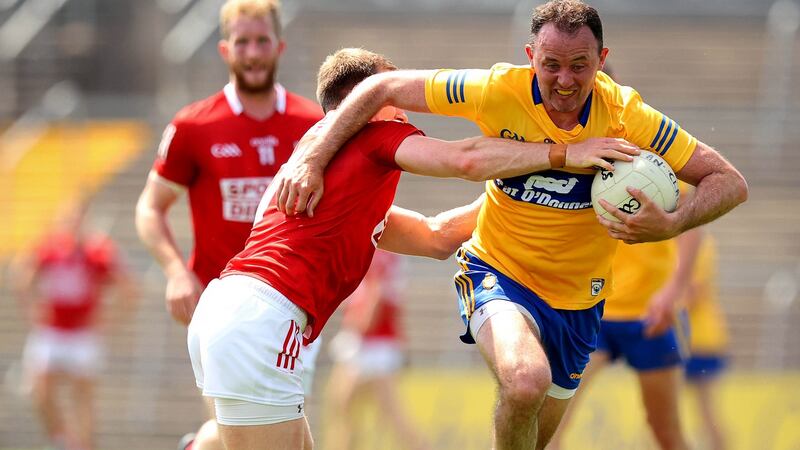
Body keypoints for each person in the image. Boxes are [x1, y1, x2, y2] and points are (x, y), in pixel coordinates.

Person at [275, 1, 748, 448]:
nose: (564, 79)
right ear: (530, 57)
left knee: (536, 438)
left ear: (602, 59)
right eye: (550, 64)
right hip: (497, 273)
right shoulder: (497, 90)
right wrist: (313, 159)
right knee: (525, 383)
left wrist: (672, 223)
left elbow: (729, 180)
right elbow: (381, 87)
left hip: (580, 303)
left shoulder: (628, 117)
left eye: (579, 65)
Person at [187, 46, 640, 450]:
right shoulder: (371, 135)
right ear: (364, 104)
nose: (406, 106)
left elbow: (436, 234)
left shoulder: (334, 174)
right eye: (395, 95)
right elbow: (464, 159)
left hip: (227, 309)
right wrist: (563, 154)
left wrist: (544, 196)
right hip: (262, 319)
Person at [134, 1, 323, 449]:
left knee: (278, 434)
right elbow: (149, 208)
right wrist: (176, 272)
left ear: (279, 46)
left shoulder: (313, 125)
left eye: (261, 41)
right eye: (242, 42)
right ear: (225, 49)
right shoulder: (194, 125)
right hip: (222, 309)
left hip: (293, 308)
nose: (253, 53)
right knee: (251, 430)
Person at [548, 227, 702, 450]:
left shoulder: (682, 190)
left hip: (651, 314)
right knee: (552, 421)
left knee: (666, 431)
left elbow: (692, 227)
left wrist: (675, 288)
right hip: (591, 310)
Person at [11, 201, 137, 450]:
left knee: (82, 396)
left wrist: (110, 318)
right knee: (40, 389)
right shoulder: (49, 247)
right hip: (52, 330)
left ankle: (86, 445)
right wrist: (32, 307)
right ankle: (63, 441)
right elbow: (22, 275)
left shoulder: (97, 251)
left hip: (82, 333)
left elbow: (128, 286)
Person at [324, 250, 431, 450]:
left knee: (384, 411)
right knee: (344, 404)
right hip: (373, 341)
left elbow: (377, 290)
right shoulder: (388, 249)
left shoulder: (381, 249)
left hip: (373, 342)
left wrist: (359, 325)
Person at [683, 232, 728, 450]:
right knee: (705, 412)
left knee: (704, 412)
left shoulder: (697, 242)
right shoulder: (699, 240)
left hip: (695, 340)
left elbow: (691, 293)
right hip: (698, 337)